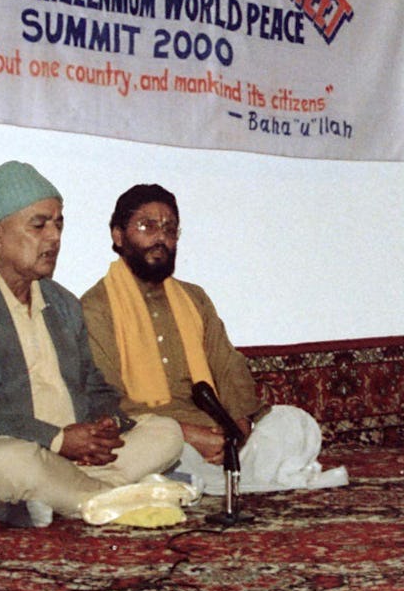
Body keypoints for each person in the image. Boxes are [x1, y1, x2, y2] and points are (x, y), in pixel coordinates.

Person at [0, 163, 198, 528]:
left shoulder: (64, 305)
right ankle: (105, 498)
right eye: (39, 225)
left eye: (59, 224)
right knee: (9, 460)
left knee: (165, 432)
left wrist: (106, 423)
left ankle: (69, 496)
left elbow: (93, 386)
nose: (54, 237)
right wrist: (56, 440)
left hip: (69, 457)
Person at [81, 183, 348, 495]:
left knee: (295, 424)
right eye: (147, 226)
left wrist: (240, 423)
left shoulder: (194, 299)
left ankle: (215, 484)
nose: (161, 238)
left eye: (170, 229)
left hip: (219, 429)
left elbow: (228, 365)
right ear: (118, 235)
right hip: (161, 435)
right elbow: (106, 399)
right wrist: (188, 434)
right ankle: (244, 480)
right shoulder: (96, 307)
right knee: (160, 451)